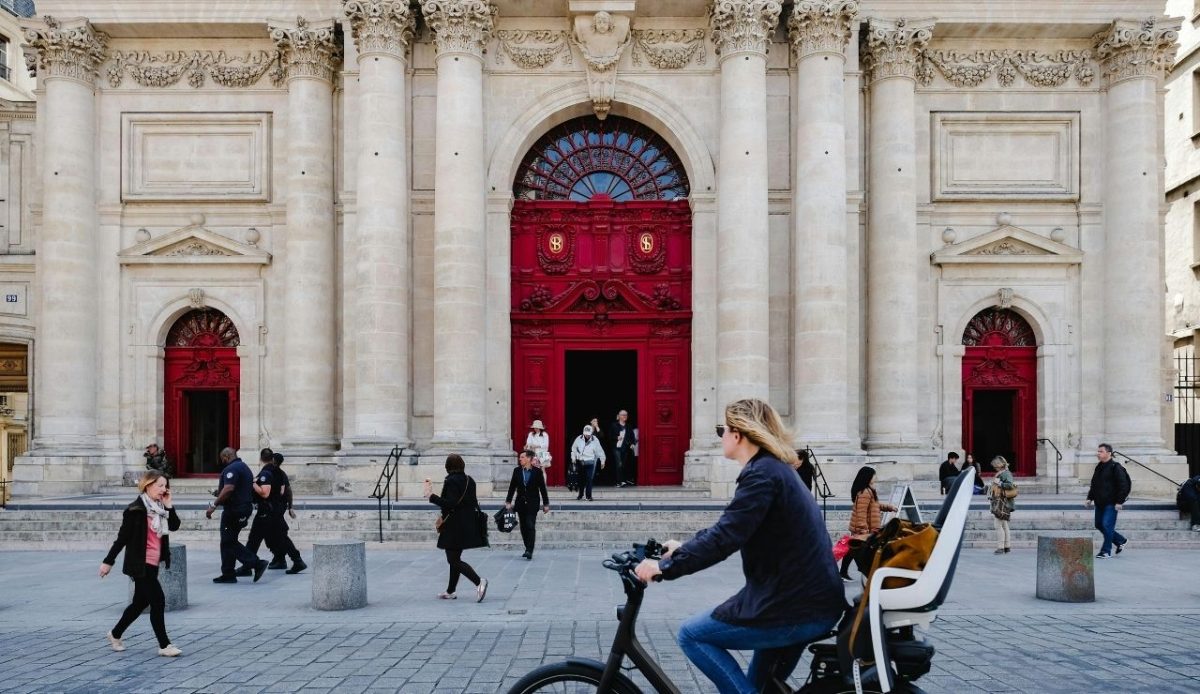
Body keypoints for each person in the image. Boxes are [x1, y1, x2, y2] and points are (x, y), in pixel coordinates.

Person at [634, 399, 845, 694]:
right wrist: (683, 548)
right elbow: (730, 526)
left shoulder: (762, 475)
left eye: (722, 429)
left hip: (794, 606)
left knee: (692, 635)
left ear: (739, 434)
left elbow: (725, 537)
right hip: (805, 600)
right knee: (757, 687)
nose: (721, 436)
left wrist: (665, 566)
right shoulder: (773, 470)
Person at [99, 470, 183, 657]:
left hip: (153, 564)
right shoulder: (135, 510)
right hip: (140, 564)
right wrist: (108, 562)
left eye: (165, 486)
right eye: (160, 485)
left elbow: (175, 525)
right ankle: (164, 645)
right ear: (148, 485)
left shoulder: (161, 508)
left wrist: (169, 505)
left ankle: (115, 634)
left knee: (139, 603)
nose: (164, 489)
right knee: (158, 601)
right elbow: (122, 539)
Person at [424, 454, 488, 602]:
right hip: (467, 523)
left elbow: (451, 503)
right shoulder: (469, 480)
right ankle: (450, 591)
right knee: (455, 558)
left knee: (453, 560)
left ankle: (479, 581)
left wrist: (431, 496)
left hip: (454, 525)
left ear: (448, 467)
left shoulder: (451, 481)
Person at [205, 447, 268, 583]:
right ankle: (228, 573)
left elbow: (229, 489)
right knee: (228, 540)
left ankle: (256, 563)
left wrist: (213, 506)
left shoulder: (231, 469)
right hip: (243, 508)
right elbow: (237, 489)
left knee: (228, 542)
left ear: (226, 456)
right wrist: (219, 493)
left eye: (222, 459)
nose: (222, 461)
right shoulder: (244, 467)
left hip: (234, 510)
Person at [838, 466, 897, 581]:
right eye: (874, 475)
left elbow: (875, 505)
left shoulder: (869, 490)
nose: (875, 477)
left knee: (853, 550)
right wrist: (863, 530)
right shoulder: (865, 492)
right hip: (864, 529)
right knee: (859, 551)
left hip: (866, 528)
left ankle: (843, 572)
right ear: (868, 477)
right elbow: (861, 512)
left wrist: (889, 507)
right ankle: (867, 575)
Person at [1086, 443, 1130, 559]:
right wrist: (1089, 498)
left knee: (1106, 524)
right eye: (1098, 451)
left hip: (1112, 502)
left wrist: (1119, 501)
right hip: (1100, 502)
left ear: (1109, 453)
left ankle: (1106, 551)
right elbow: (1094, 484)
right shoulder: (1099, 467)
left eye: (1101, 451)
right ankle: (1120, 540)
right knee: (1099, 524)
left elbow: (1123, 485)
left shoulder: (1116, 467)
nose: (1098, 453)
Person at [505, 449, 551, 559]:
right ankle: (527, 547)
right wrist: (508, 501)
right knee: (523, 527)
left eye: (522, 457)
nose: (520, 459)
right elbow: (512, 487)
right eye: (520, 457)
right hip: (520, 503)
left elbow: (542, 489)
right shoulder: (517, 471)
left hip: (533, 503)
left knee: (530, 524)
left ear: (529, 459)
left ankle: (529, 550)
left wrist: (546, 504)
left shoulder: (537, 472)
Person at [269, 452, 307, 573]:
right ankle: (279, 558)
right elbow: (289, 491)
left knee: (280, 534)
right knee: (275, 534)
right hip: (277, 508)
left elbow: (286, 491)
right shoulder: (281, 473)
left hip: (274, 509)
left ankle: (296, 560)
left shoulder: (272, 473)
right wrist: (290, 507)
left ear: (273, 461)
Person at [570, 424, 606, 501]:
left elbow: (600, 450)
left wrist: (602, 460)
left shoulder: (595, 440)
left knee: (589, 479)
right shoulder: (578, 438)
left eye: (589, 434)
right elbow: (573, 449)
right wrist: (573, 457)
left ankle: (588, 496)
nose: (587, 436)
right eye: (586, 434)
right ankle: (580, 494)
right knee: (581, 479)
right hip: (581, 462)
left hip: (590, 462)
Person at [989, 456, 1015, 554]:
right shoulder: (1003, 473)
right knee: (1004, 525)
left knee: (998, 525)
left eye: (995, 466)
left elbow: (1010, 485)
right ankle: (1007, 546)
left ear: (999, 465)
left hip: (1002, 503)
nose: (994, 468)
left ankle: (1000, 547)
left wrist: (999, 483)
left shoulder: (1006, 473)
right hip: (1001, 502)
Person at [609, 409, 637, 487]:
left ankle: (622, 480)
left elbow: (632, 437)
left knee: (623, 465)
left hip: (625, 448)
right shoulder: (614, 425)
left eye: (626, 415)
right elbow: (610, 436)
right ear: (619, 416)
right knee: (619, 464)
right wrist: (616, 437)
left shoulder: (628, 426)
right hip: (616, 448)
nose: (625, 416)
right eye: (623, 415)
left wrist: (632, 444)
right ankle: (619, 482)